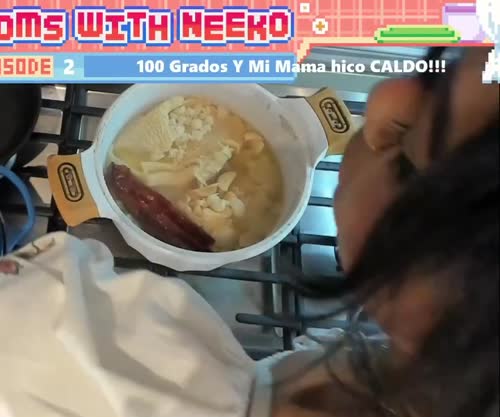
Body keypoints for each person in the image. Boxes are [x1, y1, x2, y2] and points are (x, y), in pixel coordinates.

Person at [0, 47, 498, 417]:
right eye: (445, 62)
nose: (389, 95)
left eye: (413, 144)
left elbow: (26, 324)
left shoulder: (115, 377)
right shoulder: (410, 365)